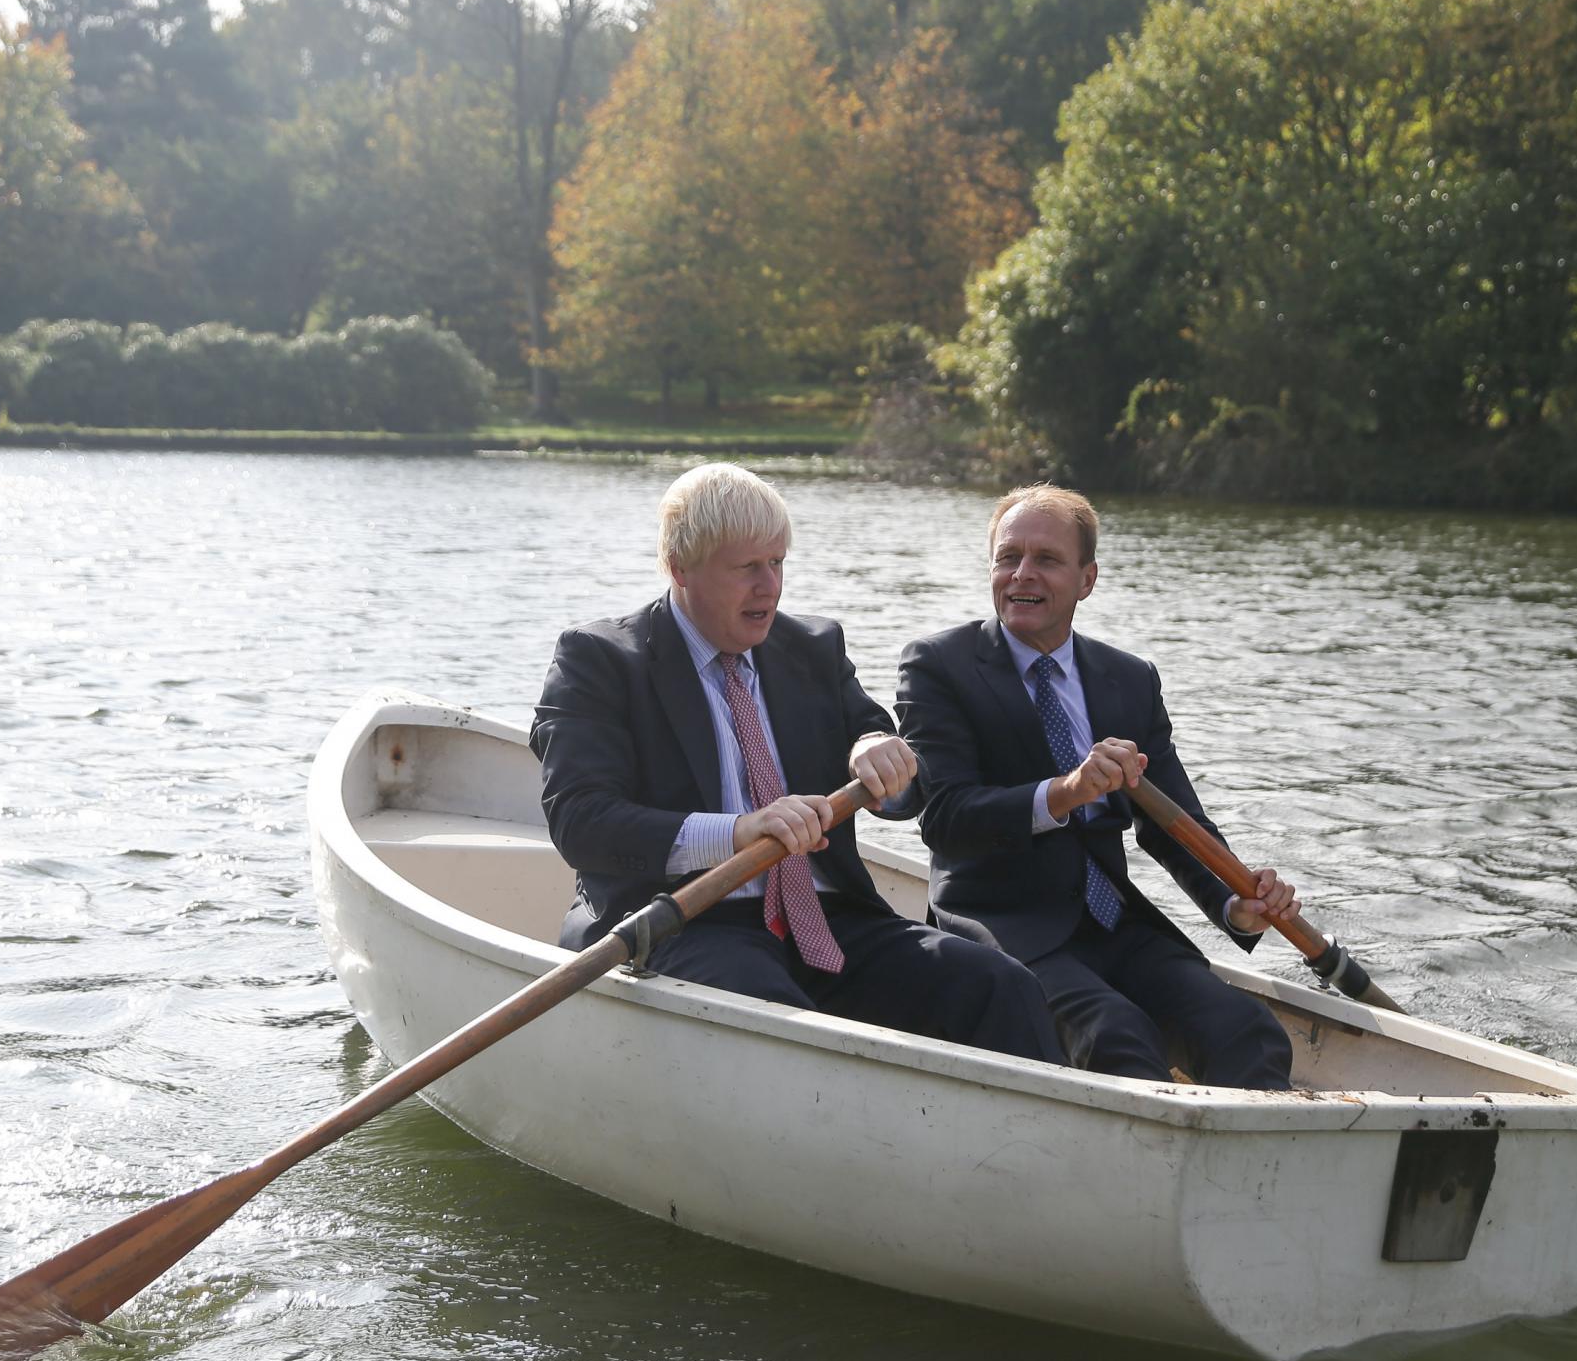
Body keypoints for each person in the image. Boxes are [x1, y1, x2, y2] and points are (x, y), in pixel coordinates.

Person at [531, 463, 1067, 1066]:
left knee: (1001, 987)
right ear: (680, 567)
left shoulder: (814, 645)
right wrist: (737, 832)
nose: (770, 588)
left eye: (777, 563)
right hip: (679, 922)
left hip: (829, 917)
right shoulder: (599, 660)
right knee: (783, 1024)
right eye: (747, 569)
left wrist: (875, 753)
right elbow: (581, 822)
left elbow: (894, 773)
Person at [895, 485, 1298, 1089]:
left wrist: (1235, 905)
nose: (1021, 574)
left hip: (1114, 923)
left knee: (1249, 1031)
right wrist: (1066, 791)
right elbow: (945, 816)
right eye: (1009, 558)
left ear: (1087, 580)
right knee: (1117, 1037)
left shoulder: (1129, 680)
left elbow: (1175, 823)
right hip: (1003, 922)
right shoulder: (939, 665)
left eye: (1046, 560)